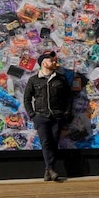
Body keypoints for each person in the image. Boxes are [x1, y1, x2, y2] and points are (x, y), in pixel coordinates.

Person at [23, 51, 72, 181]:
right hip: (41, 116)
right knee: (46, 142)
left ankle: (48, 170)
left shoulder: (61, 78)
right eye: (52, 60)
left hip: (57, 116)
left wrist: (66, 113)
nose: (55, 62)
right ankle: (51, 169)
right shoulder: (33, 80)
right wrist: (32, 115)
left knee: (54, 142)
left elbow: (68, 97)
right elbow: (27, 99)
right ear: (44, 62)